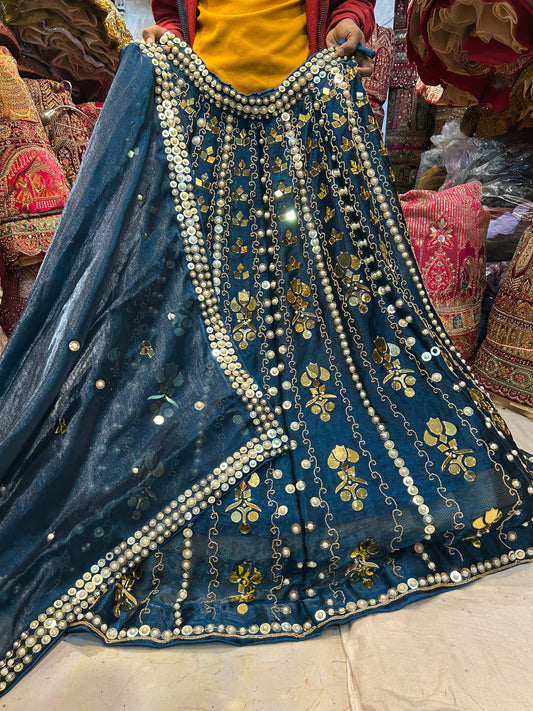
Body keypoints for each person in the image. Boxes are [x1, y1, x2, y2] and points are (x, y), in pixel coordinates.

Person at [0, 0, 532, 698]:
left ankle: (295, 413)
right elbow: (171, 10)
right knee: (211, 285)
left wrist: (348, 20)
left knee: (310, 287)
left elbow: (343, 5)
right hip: (201, 112)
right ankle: (230, 402)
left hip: (302, 110)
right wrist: (167, 35)